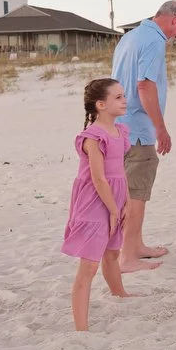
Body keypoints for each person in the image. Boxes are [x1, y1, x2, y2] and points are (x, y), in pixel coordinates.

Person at [111, 0, 176, 273]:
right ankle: (126, 257)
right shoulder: (155, 41)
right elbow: (145, 86)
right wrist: (161, 128)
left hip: (119, 124)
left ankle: (135, 246)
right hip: (137, 128)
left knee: (134, 191)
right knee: (135, 194)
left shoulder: (131, 36)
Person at [63, 79, 139, 331]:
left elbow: (120, 172)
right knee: (89, 266)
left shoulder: (120, 132)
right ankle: (81, 328)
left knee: (112, 253)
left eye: (123, 95)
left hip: (115, 197)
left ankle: (120, 294)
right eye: (118, 97)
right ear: (101, 105)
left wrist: (125, 201)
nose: (124, 100)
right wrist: (113, 209)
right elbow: (98, 178)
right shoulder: (93, 137)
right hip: (94, 200)